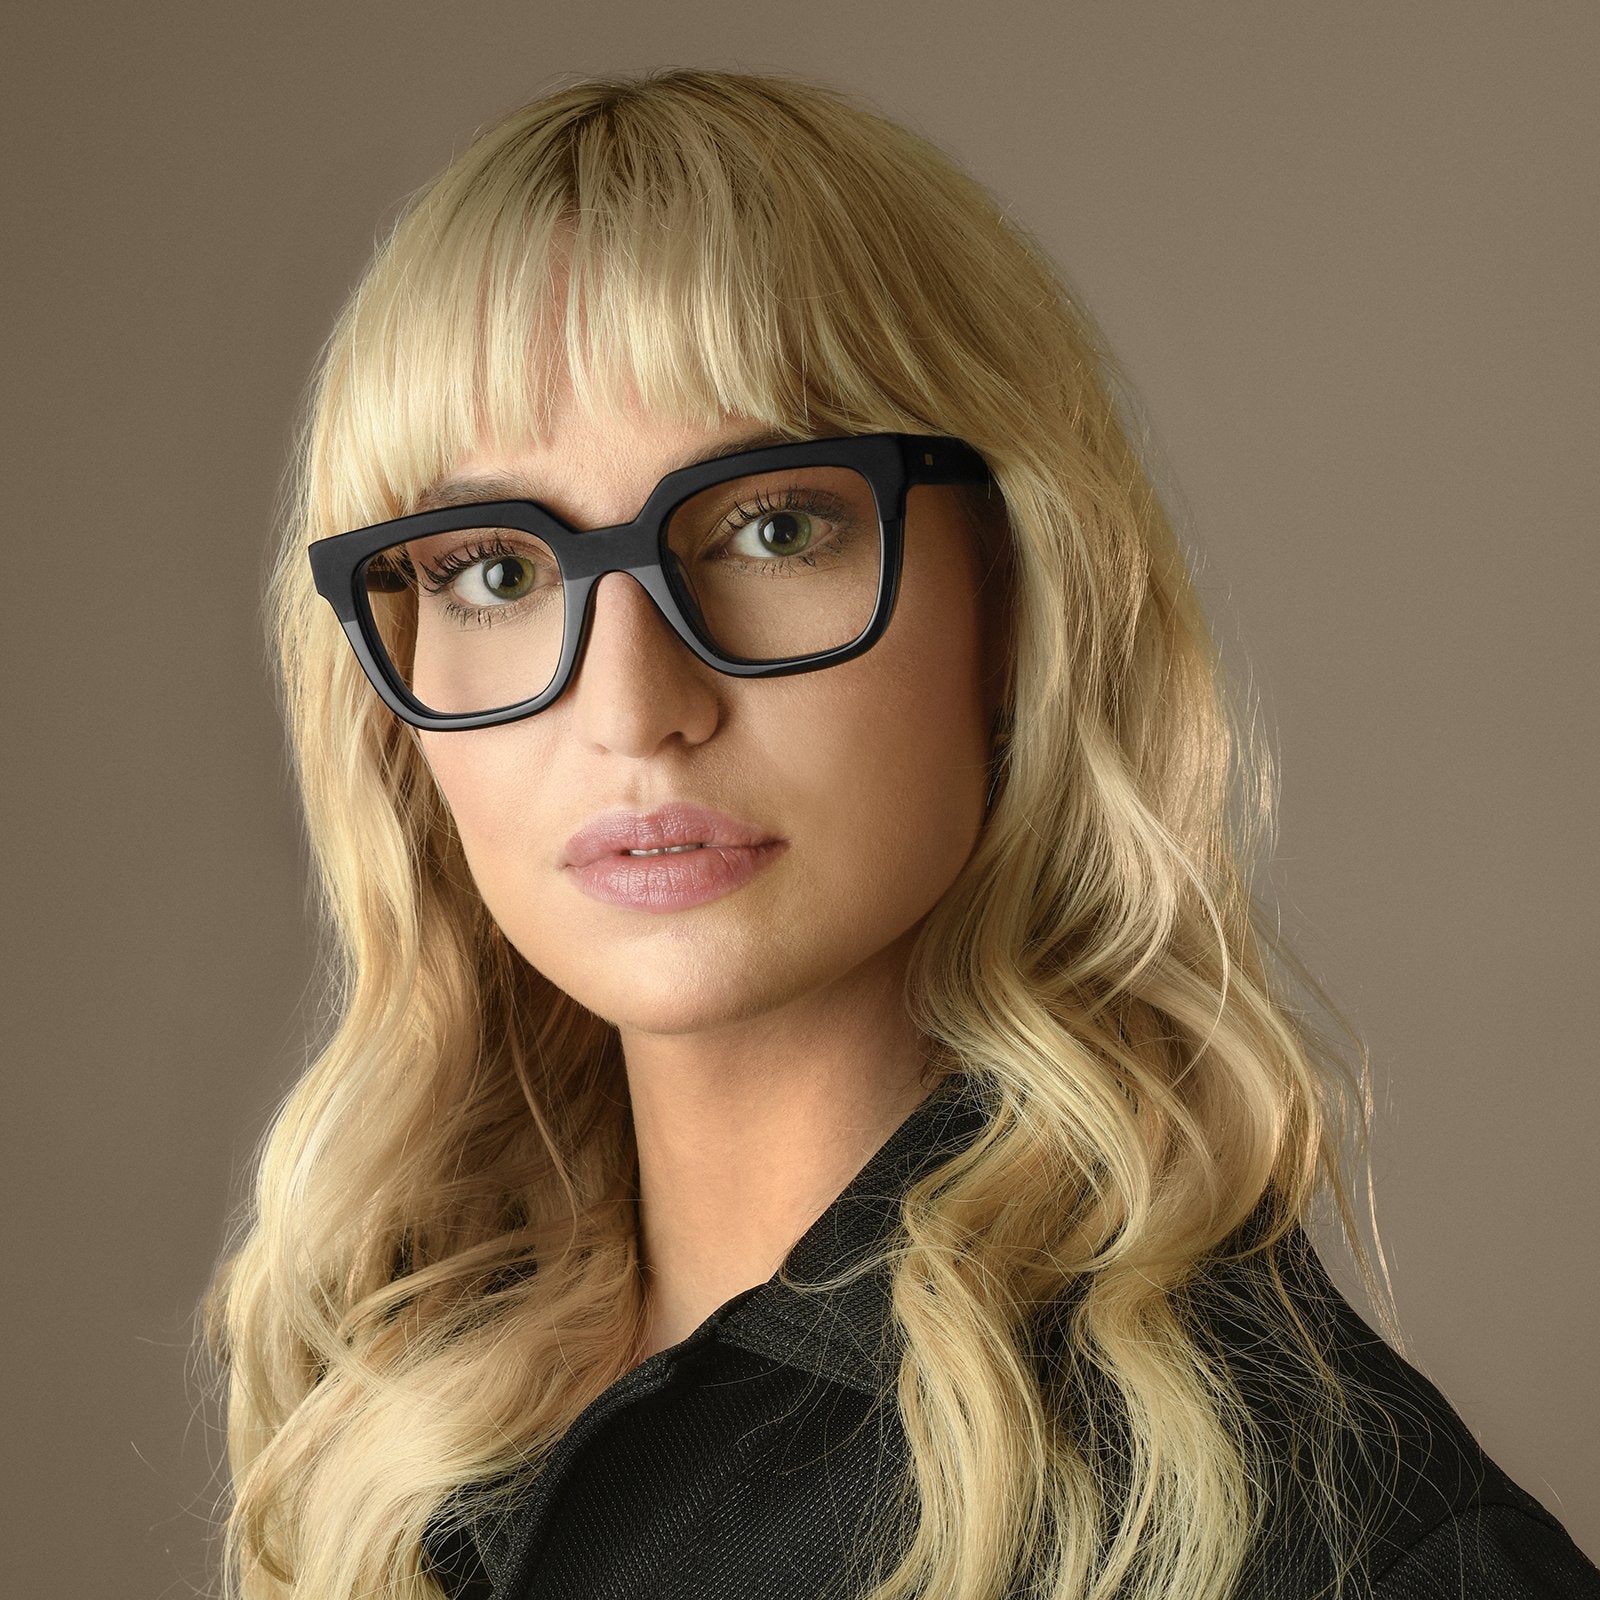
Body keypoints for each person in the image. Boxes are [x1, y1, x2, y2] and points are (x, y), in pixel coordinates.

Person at [206, 68, 1599, 1600]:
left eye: (773, 526)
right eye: (491, 569)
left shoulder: (1342, 1549)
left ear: (1020, 600)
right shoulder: (405, 1420)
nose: (631, 704)